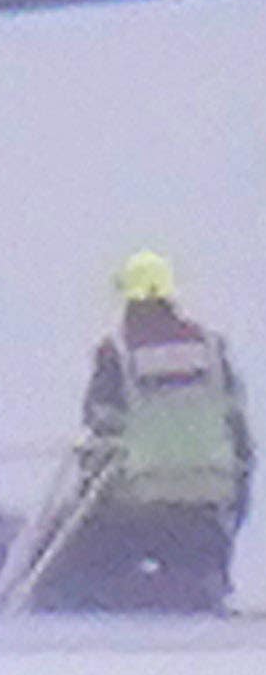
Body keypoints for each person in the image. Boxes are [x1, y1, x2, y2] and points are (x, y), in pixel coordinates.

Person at [55, 250, 251, 611]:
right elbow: (240, 437)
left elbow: (101, 437)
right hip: (209, 506)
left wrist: (82, 505)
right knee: (197, 592)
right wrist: (234, 510)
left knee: (67, 573)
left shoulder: (119, 352)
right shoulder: (211, 349)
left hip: (140, 504)